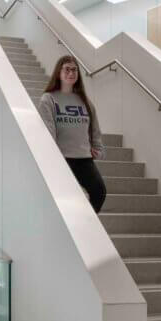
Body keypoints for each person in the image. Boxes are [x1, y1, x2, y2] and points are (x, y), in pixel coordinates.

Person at [38, 55, 106, 212]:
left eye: (74, 70)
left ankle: (86, 222)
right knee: (65, 200)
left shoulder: (86, 102)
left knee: (99, 192)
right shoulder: (48, 99)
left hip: (84, 159)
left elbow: (95, 131)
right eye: (67, 69)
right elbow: (49, 133)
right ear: (59, 72)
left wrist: (99, 150)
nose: (71, 73)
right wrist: (53, 159)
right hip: (62, 159)